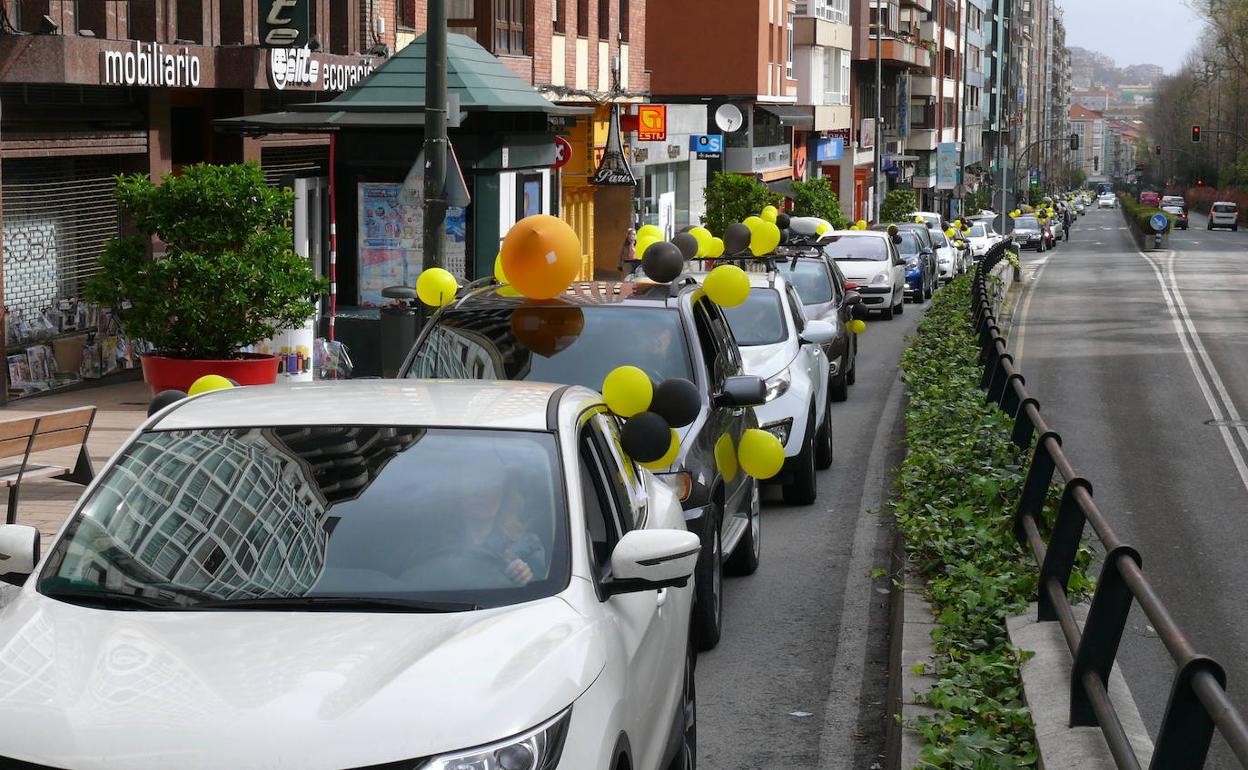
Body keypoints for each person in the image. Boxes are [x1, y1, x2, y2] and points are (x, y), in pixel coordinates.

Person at [460, 477, 546, 586]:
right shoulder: (437, 542)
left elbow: (540, 594)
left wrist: (524, 578)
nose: (479, 493)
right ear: (458, 493)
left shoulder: (528, 546)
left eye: (490, 485)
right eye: (471, 484)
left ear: (505, 495)